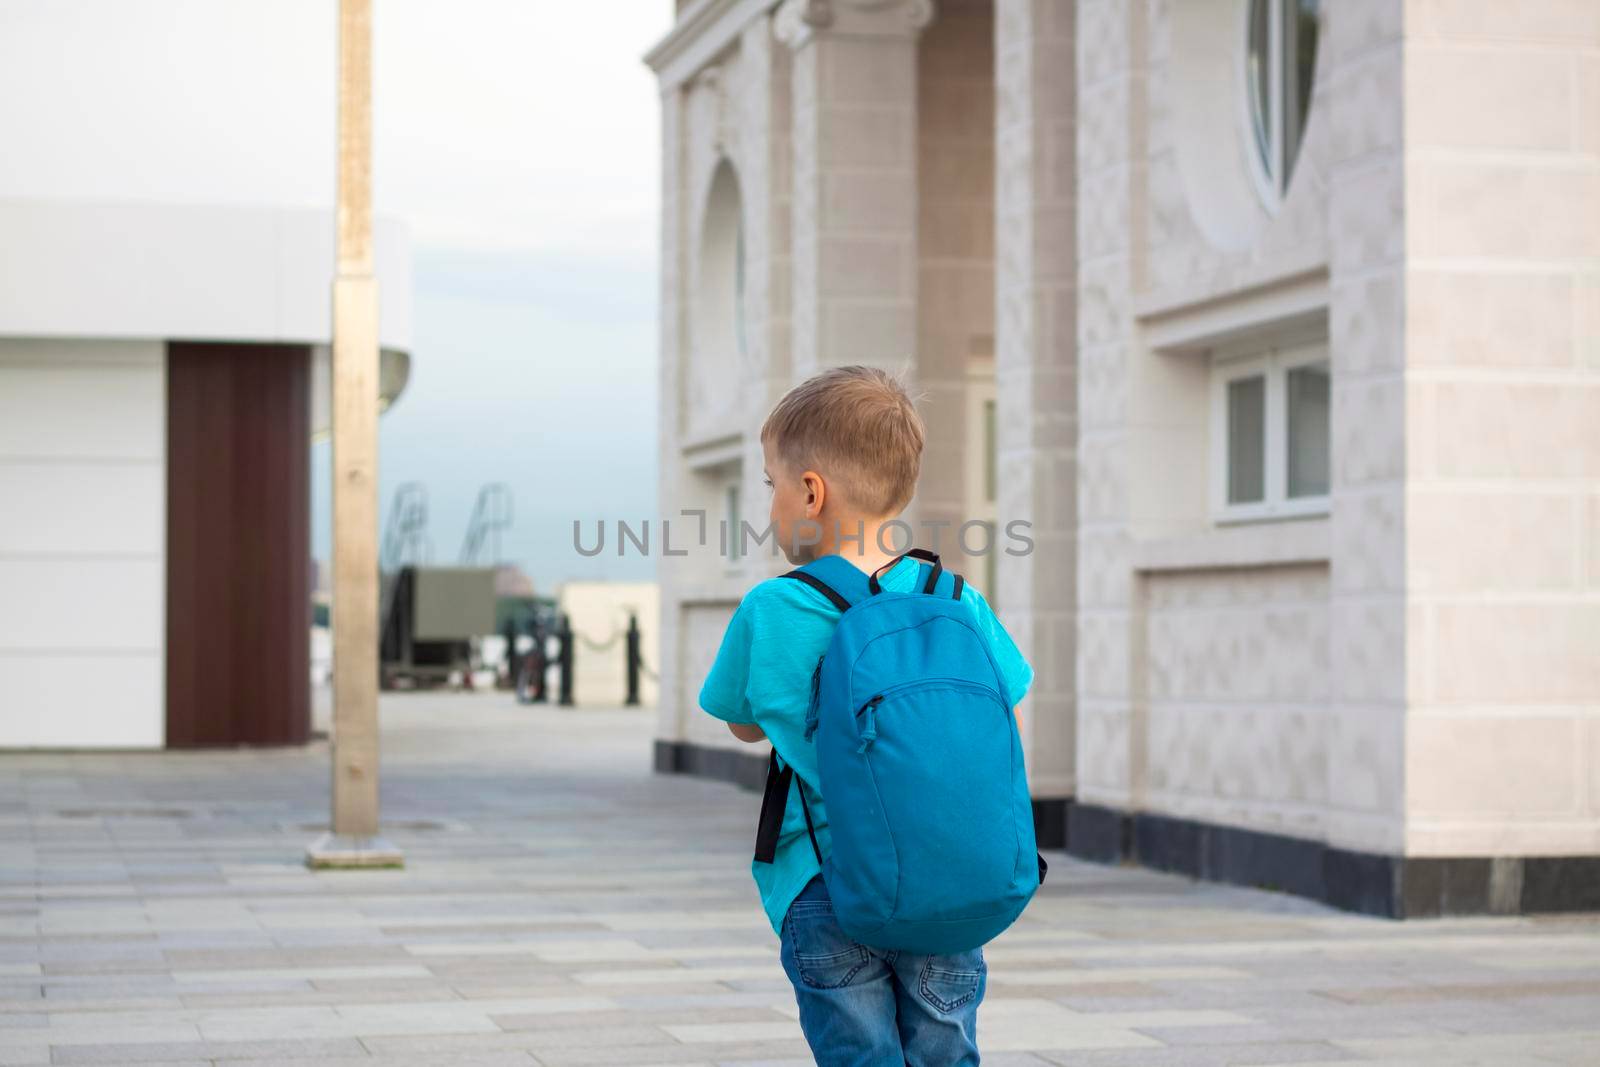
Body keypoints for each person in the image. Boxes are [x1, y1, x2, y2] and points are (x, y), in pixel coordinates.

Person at [698, 365, 1034, 1065]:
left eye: (771, 484)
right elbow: (1010, 721)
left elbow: (740, 721)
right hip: (946, 882)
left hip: (826, 884)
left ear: (811, 492)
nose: (770, 504)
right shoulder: (955, 598)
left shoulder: (771, 607)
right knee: (946, 1050)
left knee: (860, 1055)